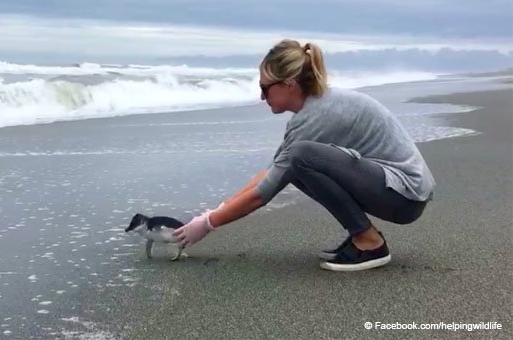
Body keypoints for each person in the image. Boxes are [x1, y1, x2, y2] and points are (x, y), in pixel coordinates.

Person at [172, 39, 436, 271]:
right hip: (395, 190)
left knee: (301, 157)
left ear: (288, 85)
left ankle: (369, 243)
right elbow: (272, 171)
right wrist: (218, 209)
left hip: (404, 196)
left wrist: (208, 224)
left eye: (265, 88)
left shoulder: (317, 116)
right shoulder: (314, 109)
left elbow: (263, 194)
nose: (261, 96)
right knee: (293, 166)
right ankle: (361, 235)